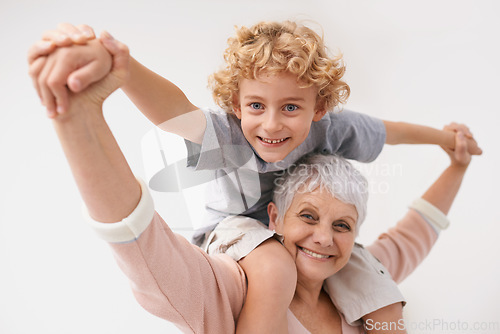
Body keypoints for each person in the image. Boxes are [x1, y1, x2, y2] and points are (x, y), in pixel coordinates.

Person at [28, 21, 481, 333]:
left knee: (382, 285)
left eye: (290, 107)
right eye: (256, 107)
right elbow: (174, 111)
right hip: (232, 234)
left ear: (318, 108)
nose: (271, 126)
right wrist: (122, 70)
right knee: (272, 264)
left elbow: (387, 134)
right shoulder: (226, 135)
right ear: (237, 105)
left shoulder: (333, 130)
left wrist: (445, 142)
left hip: (280, 235)